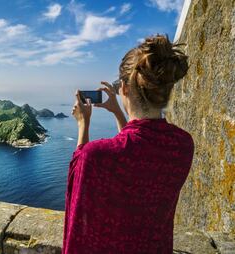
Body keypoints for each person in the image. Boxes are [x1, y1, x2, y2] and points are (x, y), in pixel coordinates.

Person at [63, 34, 194, 253]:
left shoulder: (96, 155)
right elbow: (138, 148)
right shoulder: (182, 145)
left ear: (124, 88)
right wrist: (116, 110)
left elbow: (80, 171)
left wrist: (83, 124)